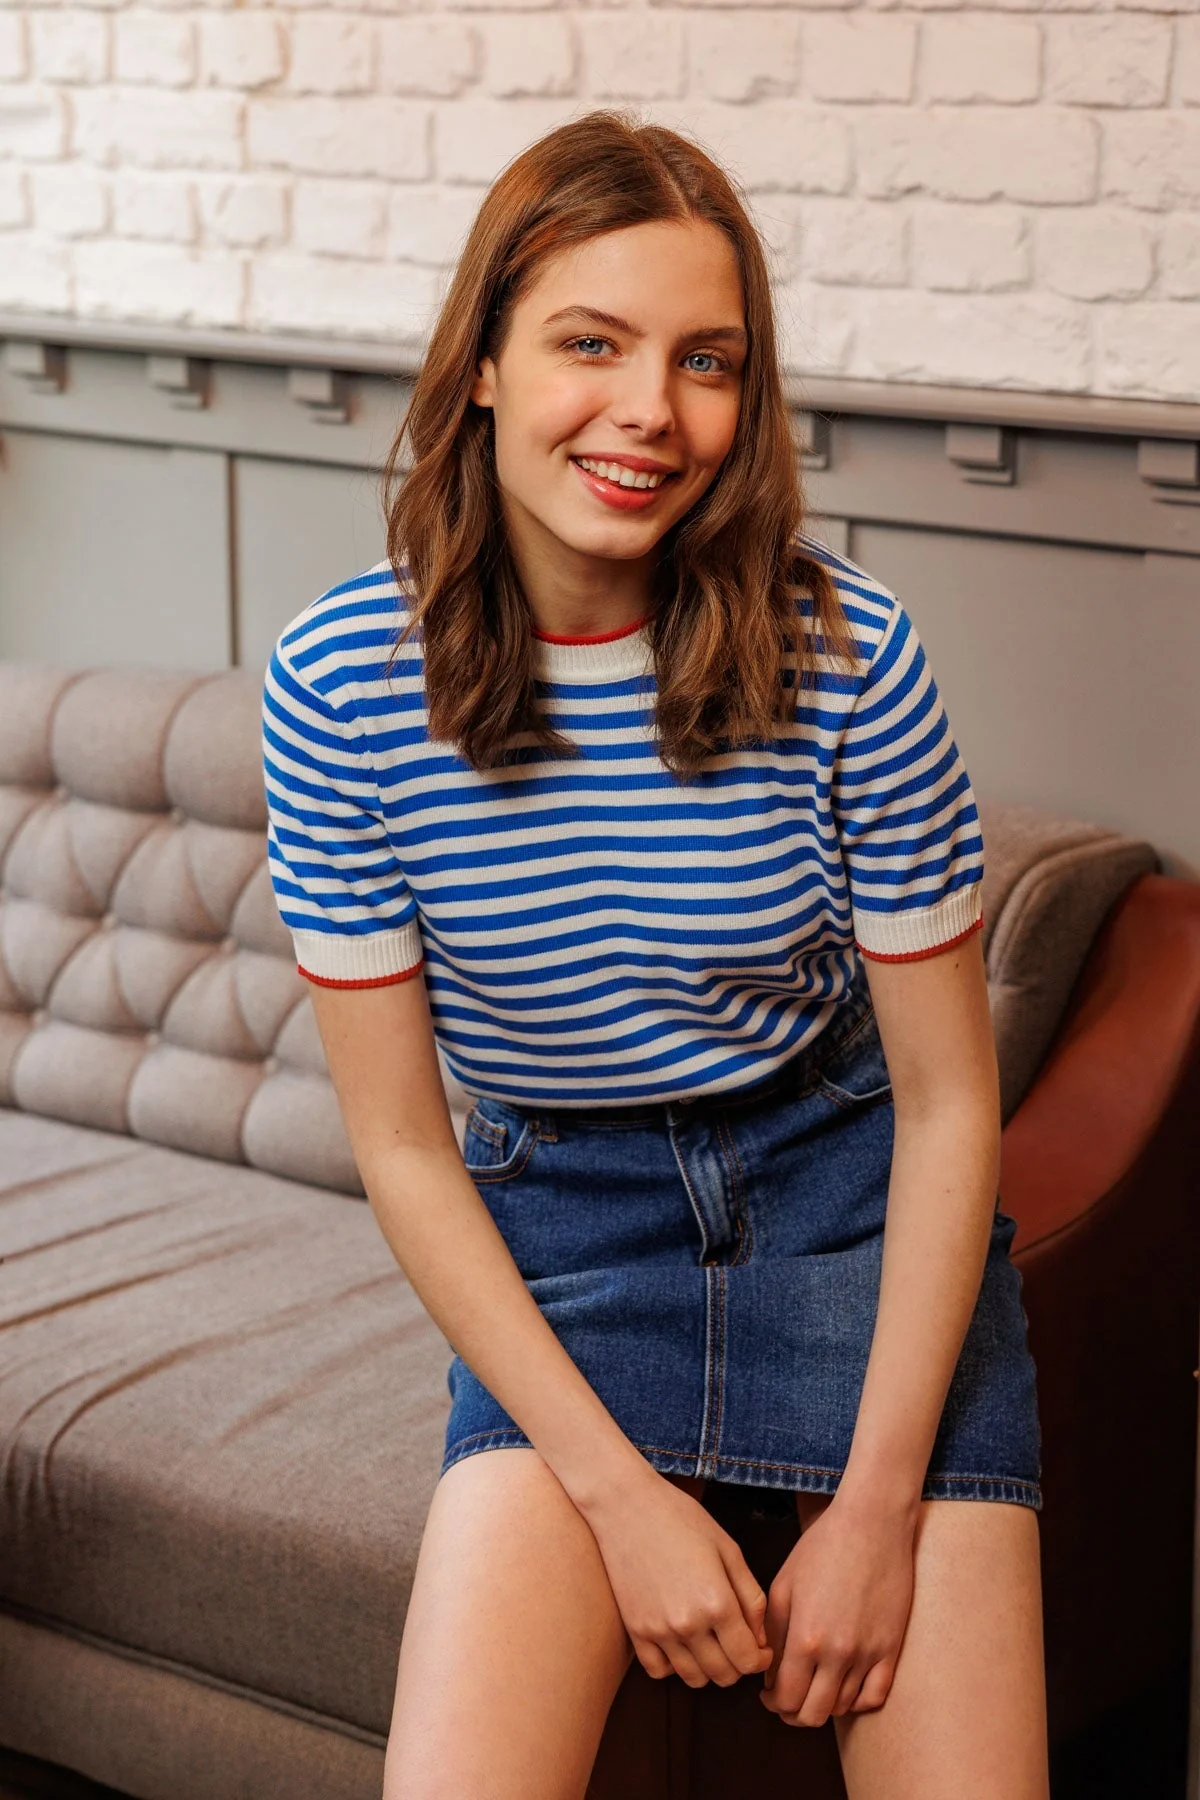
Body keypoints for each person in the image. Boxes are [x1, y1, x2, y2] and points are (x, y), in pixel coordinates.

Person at [261, 109, 1048, 1800]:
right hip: (565, 1231)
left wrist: (879, 1504)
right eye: (589, 344)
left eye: (708, 361)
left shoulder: (847, 653)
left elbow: (945, 1104)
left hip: (853, 1201)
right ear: (480, 363)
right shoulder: (338, 688)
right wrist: (619, 1502)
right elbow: (404, 1145)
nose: (651, 413)